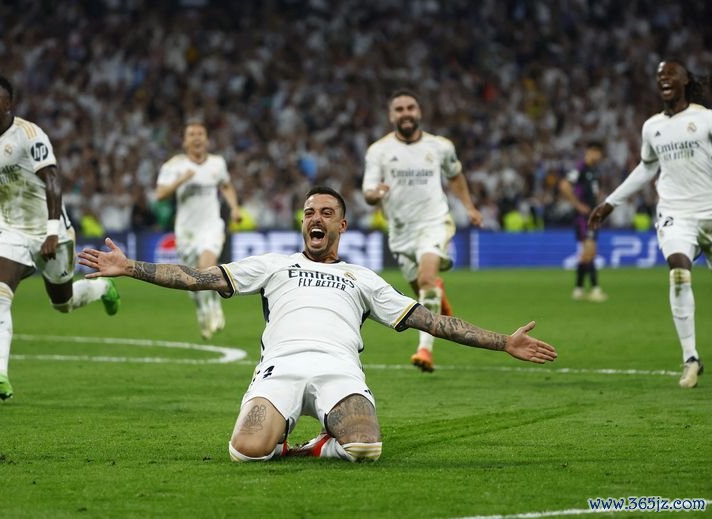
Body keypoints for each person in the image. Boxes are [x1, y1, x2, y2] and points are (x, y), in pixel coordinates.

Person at [78, 186, 557, 462]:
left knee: (367, 448)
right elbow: (198, 278)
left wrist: (502, 342)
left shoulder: (362, 278)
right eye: (309, 212)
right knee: (244, 452)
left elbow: (430, 321)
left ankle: (316, 446)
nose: (316, 217)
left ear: (342, 226)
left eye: (326, 212)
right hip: (279, 370)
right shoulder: (271, 265)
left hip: (338, 371)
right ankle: (286, 440)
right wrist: (131, 268)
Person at [0, 73, 120, 400]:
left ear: (8, 103)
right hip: (11, 230)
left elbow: (52, 181)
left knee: (62, 303)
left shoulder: (30, 135)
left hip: (51, 229)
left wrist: (52, 232)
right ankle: (0, 374)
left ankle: (102, 287)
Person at [589, 60, 712, 389]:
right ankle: (691, 358)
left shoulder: (704, 119)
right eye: (660, 76)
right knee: (678, 270)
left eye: (671, 74)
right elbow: (646, 169)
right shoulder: (652, 127)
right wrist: (611, 202)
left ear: (686, 80)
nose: (664, 79)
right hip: (676, 214)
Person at [362, 89, 483, 373]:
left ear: (419, 112)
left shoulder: (440, 146)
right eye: (399, 109)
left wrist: (469, 207)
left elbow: (455, 176)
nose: (406, 113)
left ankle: (424, 351)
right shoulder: (378, 151)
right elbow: (367, 190)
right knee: (421, 290)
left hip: (434, 221)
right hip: (401, 230)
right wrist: (375, 194)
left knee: (427, 278)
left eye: (410, 108)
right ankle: (437, 295)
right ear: (392, 116)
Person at [155, 120, 242, 340]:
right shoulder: (173, 166)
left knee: (206, 266)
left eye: (200, 133)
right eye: (191, 134)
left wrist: (234, 208)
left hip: (211, 226)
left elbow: (226, 186)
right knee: (192, 281)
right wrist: (181, 180)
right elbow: (160, 195)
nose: (196, 137)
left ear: (206, 139)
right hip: (186, 232)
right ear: (184, 142)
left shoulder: (217, 163)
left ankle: (213, 308)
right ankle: (204, 309)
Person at [559, 141, 607, 302]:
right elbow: (564, 185)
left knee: (588, 253)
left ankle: (579, 289)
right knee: (589, 251)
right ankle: (594, 288)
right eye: (596, 152)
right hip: (583, 218)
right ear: (589, 151)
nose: (598, 155)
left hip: (593, 216)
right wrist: (578, 205)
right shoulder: (580, 168)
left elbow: (597, 192)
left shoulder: (594, 171)